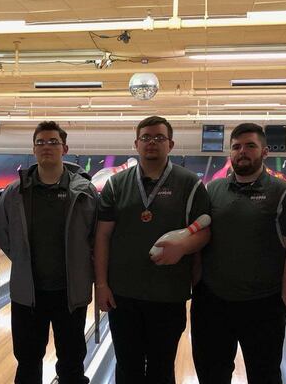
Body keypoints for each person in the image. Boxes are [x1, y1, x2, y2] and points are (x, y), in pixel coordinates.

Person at [95, 115, 211, 383]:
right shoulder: (116, 184)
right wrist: (101, 284)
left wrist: (183, 245)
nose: (152, 142)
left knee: (161, 367)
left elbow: (204, 230)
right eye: (146, 137)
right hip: (123, 294)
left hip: (168, 294)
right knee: (128, 367)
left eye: (159, 137)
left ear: (171, 144)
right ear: (136, 143)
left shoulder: (189, 184)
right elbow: (103, 236)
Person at [191, 123, 286, 384]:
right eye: (236, 147)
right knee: (211, 375)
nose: (242, 152)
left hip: (263, 304)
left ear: (265, 152)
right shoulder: (213, 190)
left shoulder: (283, 193)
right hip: (213, 302)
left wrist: (284, 301)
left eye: (250, 146)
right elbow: (199, 236)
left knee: (265, 376)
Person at [0, 121, 98, 384]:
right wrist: (22, 260)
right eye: (40, 142)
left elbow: (94, 237)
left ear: (64, 148)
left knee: (72, 362)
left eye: (53, 141)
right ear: (33, 149)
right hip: (28, 294)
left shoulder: (85, 192)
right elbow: (3, 234)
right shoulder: (14, 192)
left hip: (70, 293)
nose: (46, 147)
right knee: (28, 361)